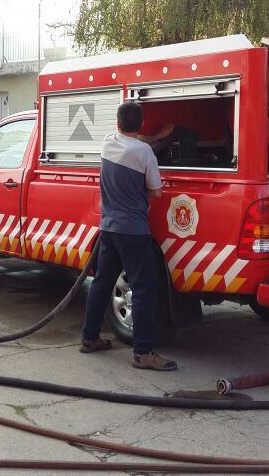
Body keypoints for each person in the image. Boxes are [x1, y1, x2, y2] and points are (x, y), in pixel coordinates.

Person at [80, 101, 178, 371]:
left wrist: (156, 138)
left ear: (118, 124)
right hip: (134, 231)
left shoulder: (108, 143)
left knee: (101, 282)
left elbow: (135, 141)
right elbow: (156, 191)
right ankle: (143, 353)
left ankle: (89, 338)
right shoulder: (145, 153)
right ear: (142, 124)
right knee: (145, 289)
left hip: (108, 228)